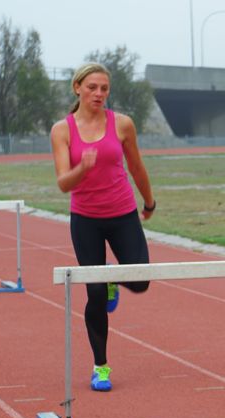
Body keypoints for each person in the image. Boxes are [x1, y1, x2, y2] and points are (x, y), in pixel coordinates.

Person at [50, 62, 156, 392]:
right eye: (93, 87)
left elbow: (136, 166)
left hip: (122, 212)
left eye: (105, 88)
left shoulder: (122, 124)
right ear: (77, 88)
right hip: (86, 220)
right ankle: (101, 366)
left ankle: (113, 279)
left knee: (140, 282)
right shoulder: (62, 130)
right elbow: (63, 184)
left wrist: (149, 202)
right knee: (94, 295)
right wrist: (82, 167)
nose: (99, 94)